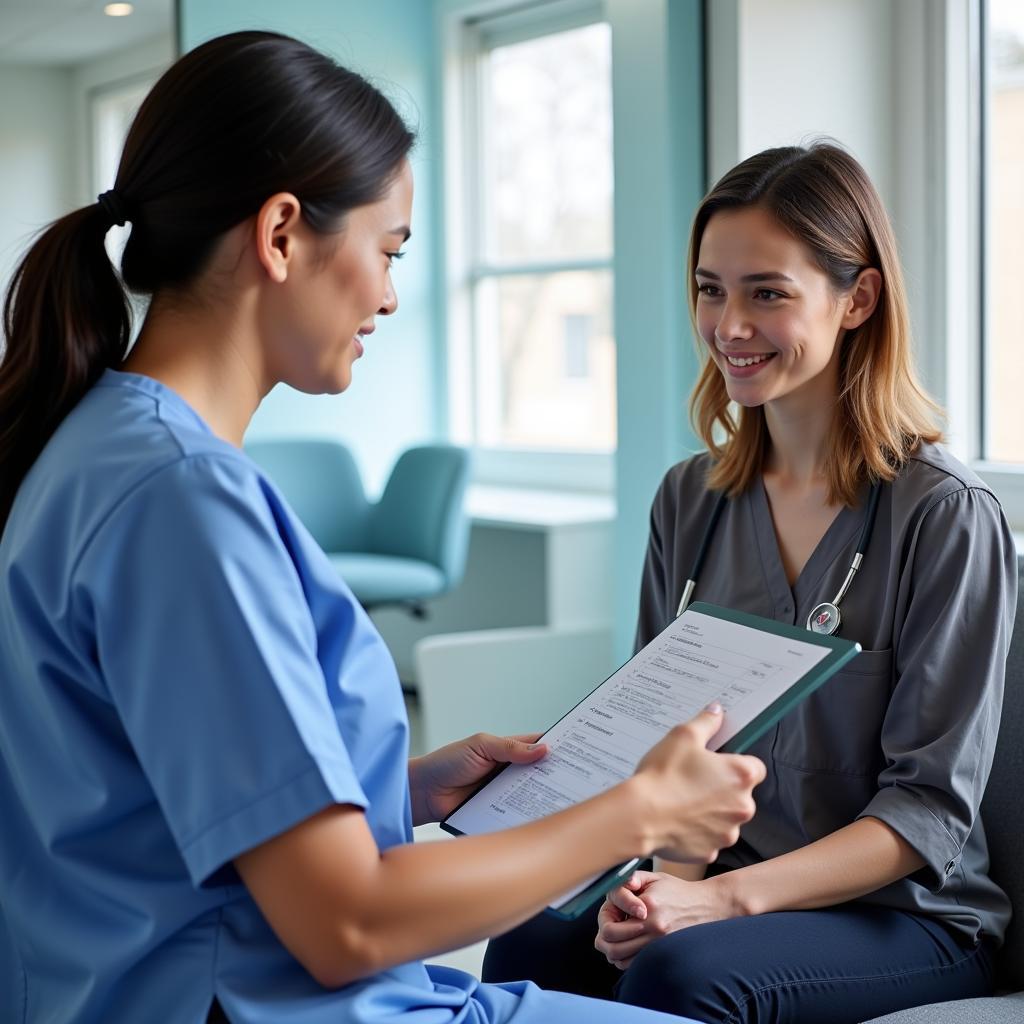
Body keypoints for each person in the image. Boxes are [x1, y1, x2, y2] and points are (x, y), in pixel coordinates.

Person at [0, 31, 768, 1024]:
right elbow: (343, 925)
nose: (391, 295)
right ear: (281, 235)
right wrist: (637, 810)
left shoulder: (95, 443)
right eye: (388, 249)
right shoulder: (183, 500)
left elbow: (138, 802)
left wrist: (398, 791)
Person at [482, 143, 1018, 1024]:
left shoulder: (945, 515)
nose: (730, 323)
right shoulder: (691, 500)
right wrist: (663, 889)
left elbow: (926, 812)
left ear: (858, 299)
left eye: (767, 292)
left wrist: (717, 906)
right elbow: (667, 751)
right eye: (710, 288)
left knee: (679, 979)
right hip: (724, 876)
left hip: (900, 913)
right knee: (528, 943)